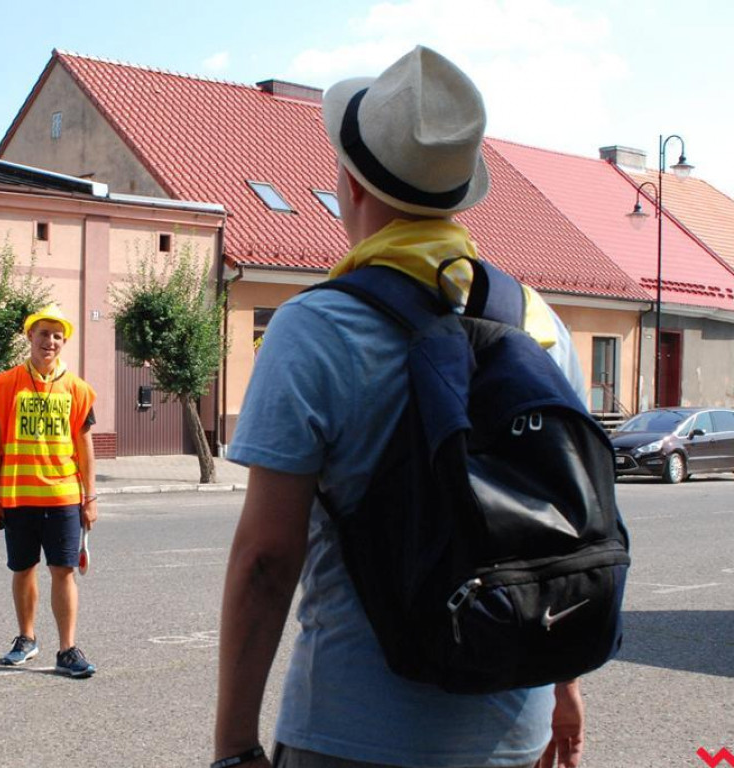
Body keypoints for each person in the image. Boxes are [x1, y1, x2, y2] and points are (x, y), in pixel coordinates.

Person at [214, 47, 586, 768]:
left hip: (353, 731)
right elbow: (561, 526)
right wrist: (562, 685)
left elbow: (266, 558)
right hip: (515, 723)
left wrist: (233, 746)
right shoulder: (538, 324)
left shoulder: (315, 326)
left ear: (349, 184)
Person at [0, 302, 98, 679]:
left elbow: (85, 447)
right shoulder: (4, 385)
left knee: (63, 570)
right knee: (22, 569)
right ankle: (26, 639)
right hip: (17, 495)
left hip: (63, 495)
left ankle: (67, 650)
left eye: (57, 335)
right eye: (43, 333)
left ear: (63, 342)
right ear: (29, 336)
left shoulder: (78, 390)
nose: (50, 341)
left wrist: (90, 498)